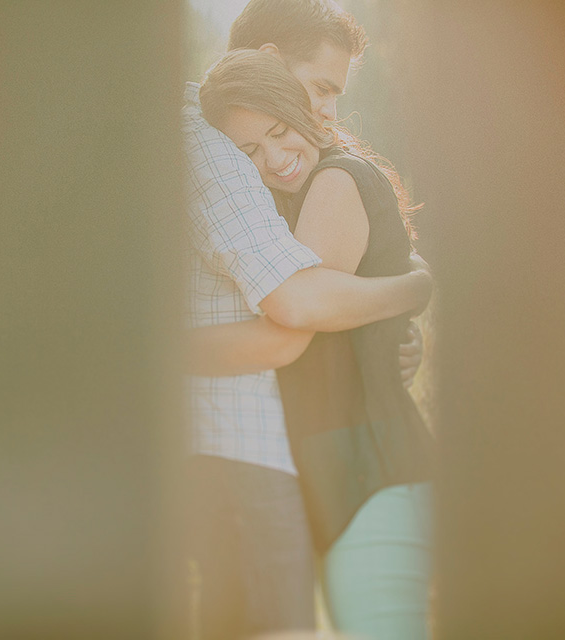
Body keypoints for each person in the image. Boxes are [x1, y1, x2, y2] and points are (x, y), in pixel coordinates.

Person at [181, 1, 430, 638]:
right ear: (268, 66)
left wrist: (408, 291)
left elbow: (294, 320)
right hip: (335, 474)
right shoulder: (267, 182)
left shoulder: (334, 180)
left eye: (332, 94)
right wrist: (408, 289)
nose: (324, 111)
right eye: (317, 86)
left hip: (366, 472)